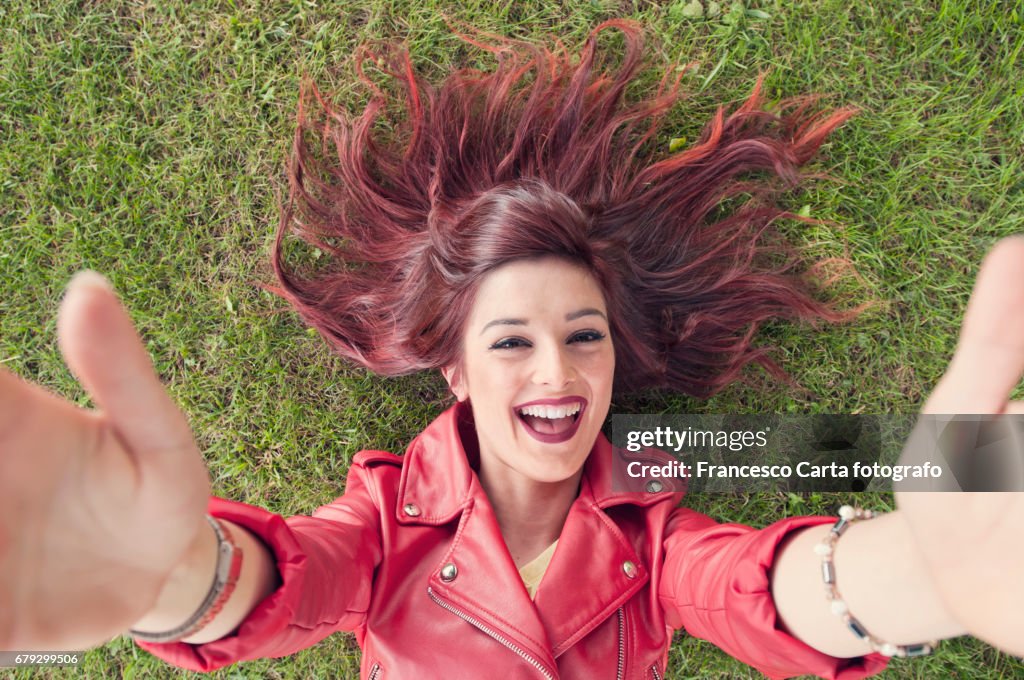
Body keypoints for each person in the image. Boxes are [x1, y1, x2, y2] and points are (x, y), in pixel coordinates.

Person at [1, 17, 1022, 680]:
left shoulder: (660, 523)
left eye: (586, 336)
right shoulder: (384, 527)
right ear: (451, 367)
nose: (558, 372)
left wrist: (915, 572)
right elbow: (285, 582)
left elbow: (762, 583)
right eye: (511, 340)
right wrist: (177, 575)